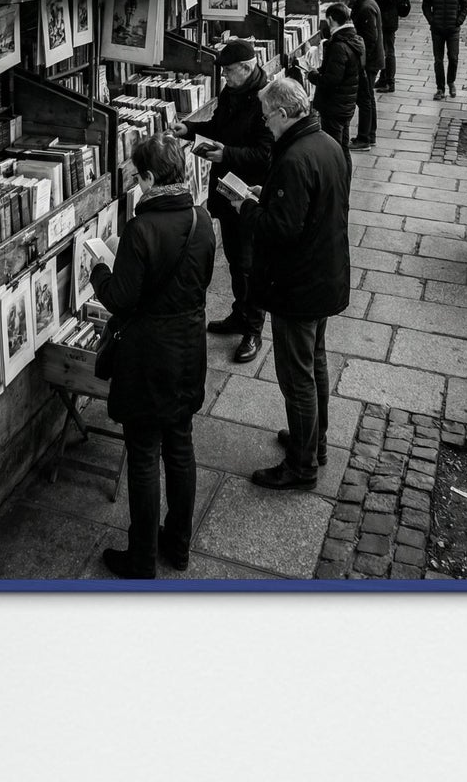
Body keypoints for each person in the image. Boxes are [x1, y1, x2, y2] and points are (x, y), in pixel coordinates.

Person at [88, 132, 216, 579]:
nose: (137, 186)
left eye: (138, 178)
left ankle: (141, 557)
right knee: (180, 445)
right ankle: (177, 544)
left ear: (147, 177)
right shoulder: (202, 220)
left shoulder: (142, 229)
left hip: (147, 354)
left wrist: (100, 271)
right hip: (188, 348)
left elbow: (121, 299)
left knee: (144, 453)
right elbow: (201, 282)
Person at [238, 78, 350, 490]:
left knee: (296, 375)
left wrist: (249, 207)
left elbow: (280, 229)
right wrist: (268, 193)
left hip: (298, 285)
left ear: (284, 114)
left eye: (267, 117)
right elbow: (311, 203)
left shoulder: (294, 157)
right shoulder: (327, 144)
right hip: (324, 277)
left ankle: (302, 466)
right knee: (314, 362)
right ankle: (313, 441)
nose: (265, 124)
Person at [176, 39, 272, 364]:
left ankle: (253, 329)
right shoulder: (232, 92)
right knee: (235, 259)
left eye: (229, 72)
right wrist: (188, 129)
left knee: (249, 263)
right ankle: (240, 313)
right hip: (226, 189)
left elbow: (267, 153)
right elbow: (218, 126)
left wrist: (227, 153)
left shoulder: (266, 100)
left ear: (247, 68)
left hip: (249, 193)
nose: (225, 78)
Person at [306, 1, 364, 159]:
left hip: (334, 106)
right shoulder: (353, 39)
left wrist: (312, 75)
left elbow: (331, 80)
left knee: (333, 150)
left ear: (330, 19)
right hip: (346, 103)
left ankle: (337, 182)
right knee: (343, 148)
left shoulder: (338, 45)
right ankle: (344, 182)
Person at [345, 0, 385, 149]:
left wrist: (360, 61)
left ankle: (363, 139)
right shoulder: (366, 3)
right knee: (368, 99)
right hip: (371, 60)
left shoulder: (365, 7)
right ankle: (370, 135)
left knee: (365, 100)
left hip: (368, 62)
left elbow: (369, 39)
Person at [422, 0, 467, 100]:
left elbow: (465, 6)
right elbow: (425, 6)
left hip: (453, 30)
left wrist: (458, 21)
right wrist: (432, 20)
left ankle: (451, 82)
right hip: (437, 29)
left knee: (453, 58)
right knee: (438, 60)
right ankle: (440, 88)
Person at [372, 0, 410, 91]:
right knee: (384, 50)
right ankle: (383, 79)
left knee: (388, 51)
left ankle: (390, 82)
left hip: (388, 20)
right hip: (384, 19)